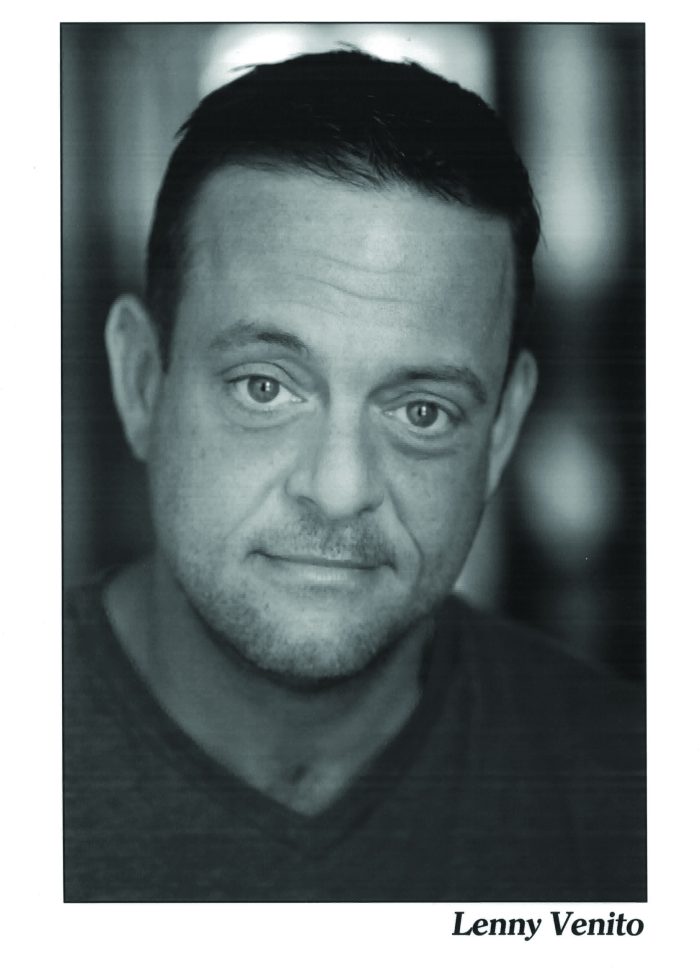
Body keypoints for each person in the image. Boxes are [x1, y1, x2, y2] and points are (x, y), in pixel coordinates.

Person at [63, 49, 645, 902]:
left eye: (421, 411)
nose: (339, 490)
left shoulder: (639, 799)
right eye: (264, 388)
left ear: (504, 428)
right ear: (140, 379)